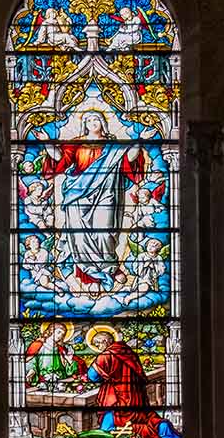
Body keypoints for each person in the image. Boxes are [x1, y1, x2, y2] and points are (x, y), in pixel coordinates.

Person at [33, 103, 148, 295]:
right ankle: (89, 276)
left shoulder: (114, 147)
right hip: (78, 196)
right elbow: (60, 161)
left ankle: (109, 268)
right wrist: (47, 142)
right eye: (88, 120)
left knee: (105, 233)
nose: (92, 122)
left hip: (107, 194)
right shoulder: (76, 144)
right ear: (84, 124)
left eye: (96, 119)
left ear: (103, 123)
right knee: (80, 237)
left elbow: (129, 161)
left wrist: (140, 141)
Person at [86, 326, 181, 438]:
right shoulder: (128, 351)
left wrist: (104, 377)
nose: (99, 348)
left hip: (118, 399)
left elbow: (92, 376)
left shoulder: (107, 355)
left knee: (109, 423)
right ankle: (162, 429)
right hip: (137, 397)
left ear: (105, 342)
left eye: (98, 344)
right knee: (143, 418)